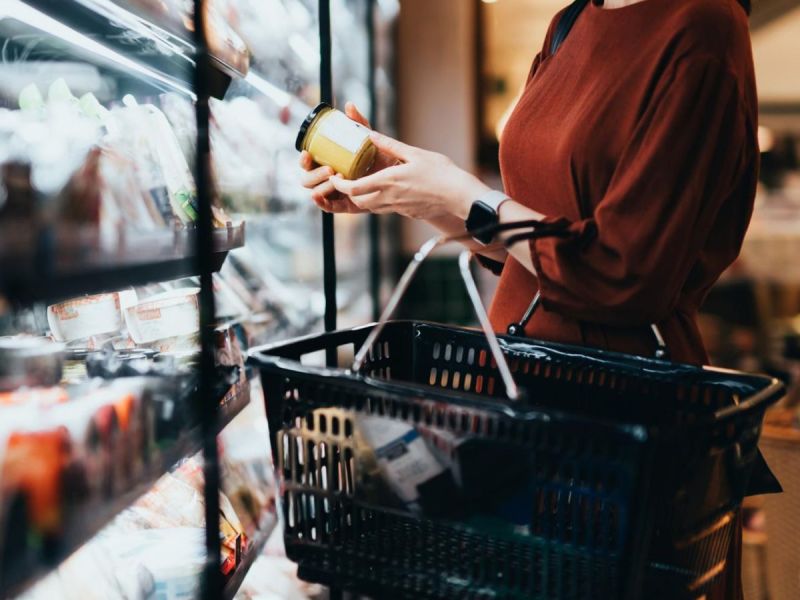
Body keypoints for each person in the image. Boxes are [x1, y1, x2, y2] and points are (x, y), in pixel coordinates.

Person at [300, 0, 757, 597]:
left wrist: (464, 195)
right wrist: (403, 188)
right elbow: (544, 239)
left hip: (615, 426)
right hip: (521, 410)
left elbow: (624, 275)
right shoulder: (571, 23)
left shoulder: (702, 29)